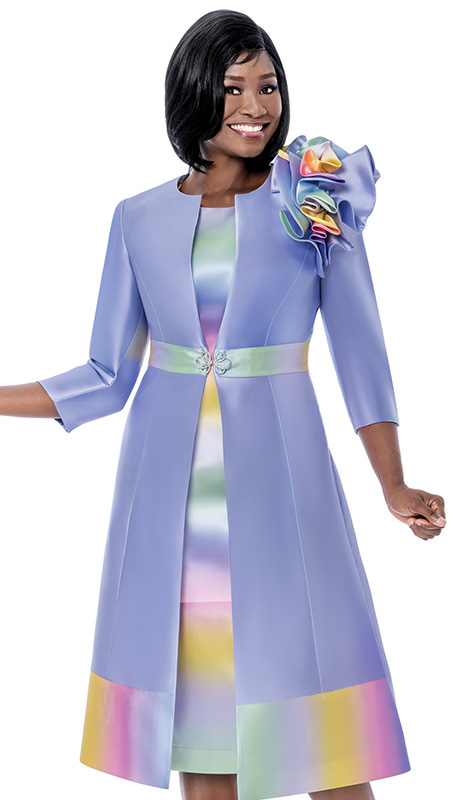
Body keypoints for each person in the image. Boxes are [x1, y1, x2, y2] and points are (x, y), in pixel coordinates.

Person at [0, 9, 447, 800]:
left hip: (286, 491)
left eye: (267, 86)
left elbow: (361, 352)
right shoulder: (137, 219)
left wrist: (393, 483)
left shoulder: (311, 199)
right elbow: (106, 375)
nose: (256, 105)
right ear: (194, 95)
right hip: (173, 513)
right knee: (202, 740)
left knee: (328, 740)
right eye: (234, 86)